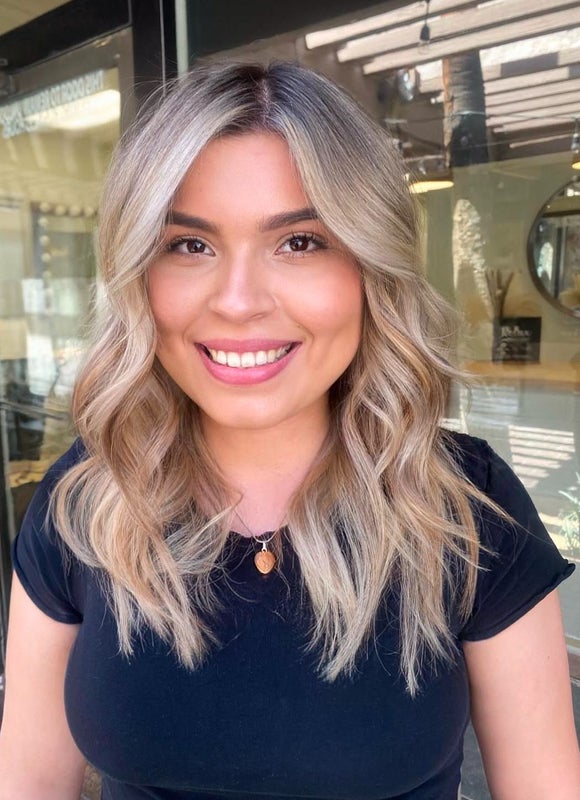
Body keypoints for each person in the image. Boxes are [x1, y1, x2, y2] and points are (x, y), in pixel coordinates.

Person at [0, 61, 579, 800]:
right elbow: (27, 780)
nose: (239, 301)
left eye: (300, 241)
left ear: (371, 269)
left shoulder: (465, 506)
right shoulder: (87, 499)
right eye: (190, 245)